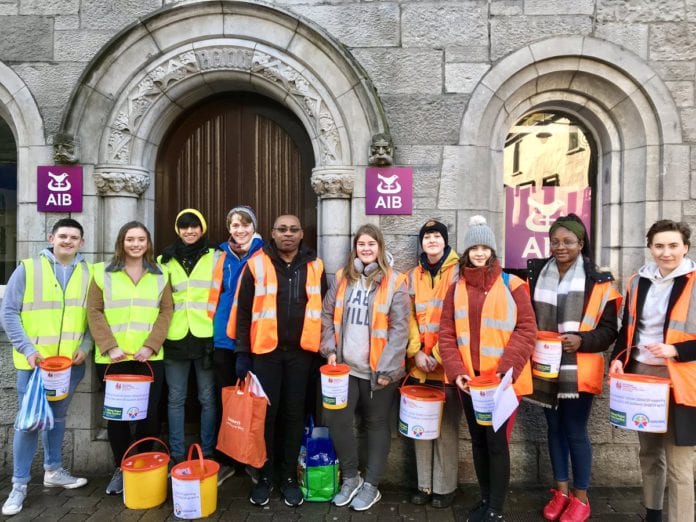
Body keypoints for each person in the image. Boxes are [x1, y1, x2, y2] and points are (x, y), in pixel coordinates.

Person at [439, 215, 536, 522]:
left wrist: (506, 371)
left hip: (503, 384)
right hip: (470, 383)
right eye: (473, 248)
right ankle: (484, 499)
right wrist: (457, 372)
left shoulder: (514, 285)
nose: (479, 253)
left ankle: (495, 508)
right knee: (479, 442)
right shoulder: (455, 289)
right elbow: (447, 334)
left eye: (484, 247)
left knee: (496, 443)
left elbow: (527, 329)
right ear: (466, 252)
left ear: (492, 251)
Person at [527, 214, 620, 522]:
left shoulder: (600, 279)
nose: (560, 247)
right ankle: (561, 491)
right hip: (545, 365)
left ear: (581, 244)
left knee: (575, 431)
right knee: (553, 429)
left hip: (580, 368)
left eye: (568, 241)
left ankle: (581, 497)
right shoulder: (536, 272)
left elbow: (610, 330)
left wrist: (582, 340)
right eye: (555, 241)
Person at [233, 214, 327, 507]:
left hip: (302, 355)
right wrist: (242, 353)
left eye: (294, 230)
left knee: (294, 415)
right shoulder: (256, 264)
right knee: (266, 418)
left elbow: (322, 311)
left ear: (302, 234)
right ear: (272, 233)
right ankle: (265, 476)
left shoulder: (315, 266)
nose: (288, 234)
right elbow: (244, 312)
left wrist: (320, 353)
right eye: (282, 229)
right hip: (265, 354)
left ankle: (287, 477)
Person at [1, 219, 92, 516]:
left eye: (74, 237)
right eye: (62, 236)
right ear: (51, 237)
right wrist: (27, 349)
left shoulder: (89, 273)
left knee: (58, 417)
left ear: (82, 242)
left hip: (68, 364)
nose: (67, 241)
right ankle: (19, 486)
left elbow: (95, 315)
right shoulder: (27, 269)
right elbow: (9, 312)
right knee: (29, 422)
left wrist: (86, 347)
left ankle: (53, 471)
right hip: (35, 365)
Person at [609, 219, 696, 522]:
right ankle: (653, 514)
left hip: (681, 380)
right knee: (648, 454)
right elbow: (628, 328)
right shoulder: (637, 281)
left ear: (686, 247)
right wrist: (619, 358)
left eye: (673, 245)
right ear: (650, 248)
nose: (666, 252)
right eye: (659, 245)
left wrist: (676, 350)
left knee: (679, 464)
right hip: (642, 376)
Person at [321, 224, 410, 512]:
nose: (367, 248)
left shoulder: (396, 281)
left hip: (378, 373)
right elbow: (326, 314)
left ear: (380, 248)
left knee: (376, 425)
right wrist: (330, 350)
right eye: (361, 244)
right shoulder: (342, 278)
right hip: (344, 370)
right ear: (355, 248)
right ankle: (351, 477)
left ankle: (372, 485)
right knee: (337, 420)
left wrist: (387, 368)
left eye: (372, 244)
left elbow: (399, 330)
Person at [87, 221, 173, 496]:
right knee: (118, 419)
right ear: (121, 242)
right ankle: (122, 468)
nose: (135, 244)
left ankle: (144, 463)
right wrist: (109, 346)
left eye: (140, 240)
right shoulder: (102, 273)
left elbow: (166, 312)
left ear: (148, 244)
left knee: (149, 415)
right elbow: (94, 310)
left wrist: (151, 345)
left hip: (149, 357)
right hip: (115, 358)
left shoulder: (161, 273)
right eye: (130, 239)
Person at [406, 219, 461, 509]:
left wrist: (438, 355)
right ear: (422, 243)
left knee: (447, 431)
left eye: (437, 236)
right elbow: (408, 315)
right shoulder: (412, 275)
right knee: (421, 428)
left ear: (445, 241)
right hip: (419, 367)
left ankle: (444, 487)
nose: (432, 240)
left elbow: (459, 318)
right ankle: (423, 485)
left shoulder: (459, 272)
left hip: (448, 367)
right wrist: (416, 352)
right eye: (427, 236)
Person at [158, 209, 219, 469]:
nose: (189, 231)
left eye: (194, 227)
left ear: (202, 229)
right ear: (178, 230)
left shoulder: (216, 256)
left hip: (206, 336)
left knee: (207, 398)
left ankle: (208, 451)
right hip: (175, 336)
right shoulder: (164, 259)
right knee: (176, 398)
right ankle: (177, 453)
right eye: (184, 227)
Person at [209, 205, 263, 484]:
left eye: (245, 224)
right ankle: (227, 460)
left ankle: (254, 459)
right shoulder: (221, 257)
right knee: (226, 402)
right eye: (234, 225)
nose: (240, 230)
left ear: (254, 227)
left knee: (255, 403)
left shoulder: (264, 254)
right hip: (223, 339)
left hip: (255, 340)